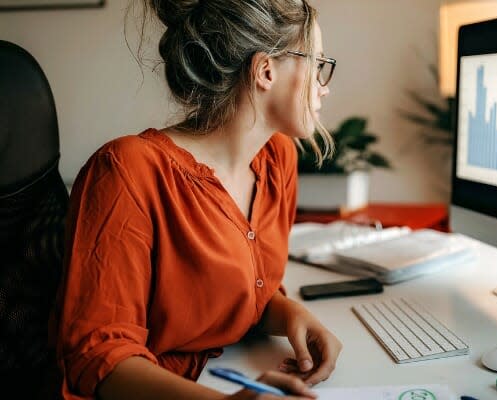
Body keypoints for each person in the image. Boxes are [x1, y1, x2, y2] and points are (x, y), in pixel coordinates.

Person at [51, 0, 341, 398]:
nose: (324, 86)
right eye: (317, 63)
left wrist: (291, 314)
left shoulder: (278, 160)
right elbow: (99, 356)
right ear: (266, 71)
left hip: (225, 369)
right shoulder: (126, 170)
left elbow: (240, 293)